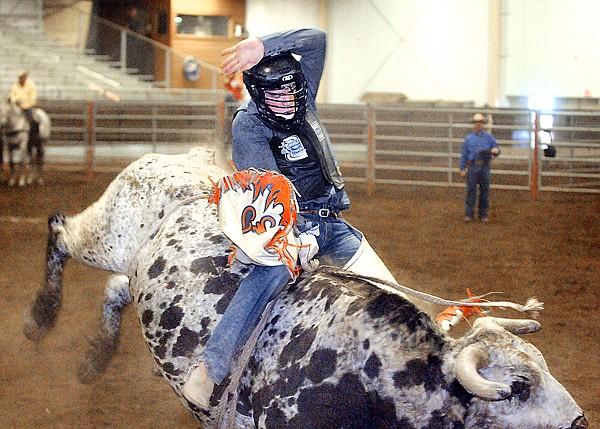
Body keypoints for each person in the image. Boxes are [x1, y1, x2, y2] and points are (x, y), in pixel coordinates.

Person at [181, 28, 396, 409]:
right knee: (270, 274)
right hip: (293, 225)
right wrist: (294, 235)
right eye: (274, 93)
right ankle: (209, 371)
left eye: (290, 90)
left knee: (390, 295)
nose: (285, 99)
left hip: (336, 225)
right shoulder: (248, 125)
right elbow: (268, 194)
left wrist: (263, 45)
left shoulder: (304, 98)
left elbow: (316, 40)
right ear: (257, 95)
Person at [459, 113, 500, 223]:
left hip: (484, 166)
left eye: (480, 122)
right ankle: (469, 214)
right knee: (471, 191)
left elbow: (496, 149)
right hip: (473, 167)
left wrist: (496, 150)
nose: (478, 124)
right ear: (474, 124)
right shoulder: (469, 139)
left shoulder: (489, 138)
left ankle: (483, 214)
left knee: (484, 191)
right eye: (476, 123)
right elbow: (464, 154)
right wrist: (462, 168)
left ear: (483, 124)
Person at [9, 70, 38, 148]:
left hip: (27, 107)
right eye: (19, 77)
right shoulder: (15, 85)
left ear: (25, 77)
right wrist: (15, 101)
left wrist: (26, 105)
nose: (20, 79)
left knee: (33, 120)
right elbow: (12, 96)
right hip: (16, 107)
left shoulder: (31, 85)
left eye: (22, 77)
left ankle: (34, 137)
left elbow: (33, 98)